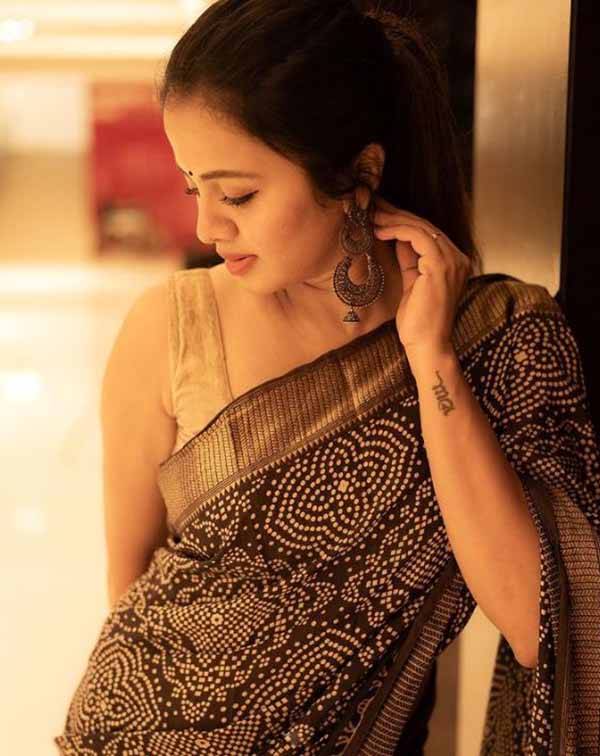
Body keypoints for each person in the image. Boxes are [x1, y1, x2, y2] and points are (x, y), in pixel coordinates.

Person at [54, 1, 600, 754]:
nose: (208, 227)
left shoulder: (499, 339)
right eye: (192, 188)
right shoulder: (172, 326)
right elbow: (134, 601)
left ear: (360, 173)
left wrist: (431, 358)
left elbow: (542, 620)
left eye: (238, 195)